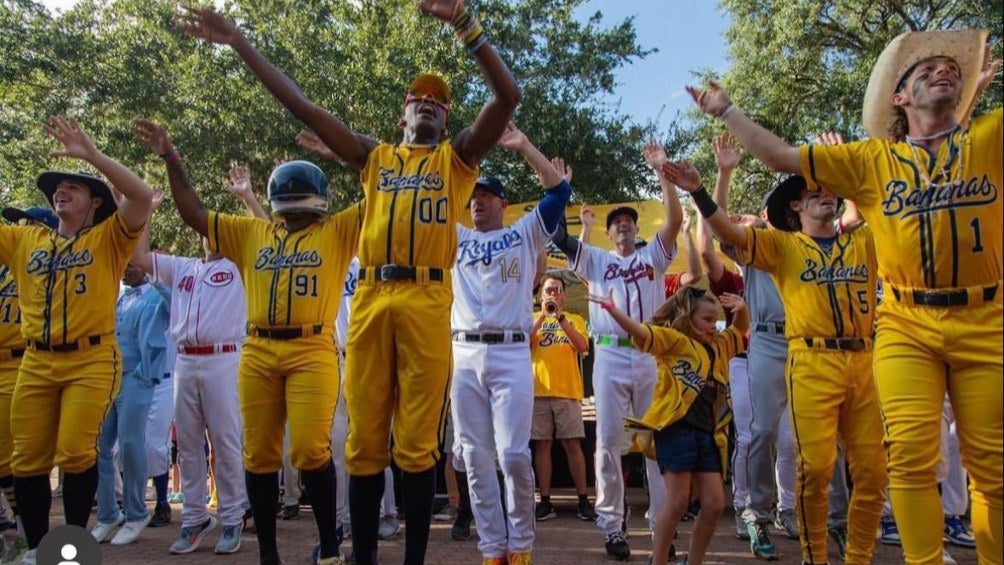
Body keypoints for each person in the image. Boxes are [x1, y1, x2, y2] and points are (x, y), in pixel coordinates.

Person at [176, 2, 519, 562]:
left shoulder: (458, 160)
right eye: (418, 98)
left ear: (446, 118)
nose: (428, 101)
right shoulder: (373, 158)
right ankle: (359, 555)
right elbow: (305, 108)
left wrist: (466, 26)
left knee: (413, 445)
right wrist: (240, 43)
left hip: (428, 298)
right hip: (372, 300)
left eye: (439, 100)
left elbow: (507, 99)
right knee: (362, 443)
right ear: (402, 115)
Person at [687, 28, 1002, 564]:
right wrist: (708, 171)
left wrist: (969, 99)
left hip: (898, 343)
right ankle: (813, 554)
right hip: (822, 350)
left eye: (951, 68)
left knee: (899, 470)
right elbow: (730, 237)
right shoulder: (788, 242)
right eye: (814, 195)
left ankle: (857, 557)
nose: (822, 197)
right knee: (820, 466)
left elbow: (887, 200)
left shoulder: (865, 236)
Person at [132, 118, 359, 565]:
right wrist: (169, 156)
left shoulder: (337, 230)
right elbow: (194, 215)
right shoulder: (253, 233)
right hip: (256, 350)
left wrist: (342, 155)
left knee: (312, 448)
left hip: (312, 348)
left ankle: (330, 547)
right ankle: (269, 554)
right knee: (258, 452)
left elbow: (381, 193)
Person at [664, 153, 889, 563]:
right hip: (767, 342)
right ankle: (758, 514)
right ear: (788, 209)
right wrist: (718, 177)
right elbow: (713, 236)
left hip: (821, 346)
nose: (751, 220)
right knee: (762, 431)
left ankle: (834, 520)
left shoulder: (817, 244)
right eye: (806, 195)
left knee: (823, 443)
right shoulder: (759, 252)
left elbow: (857, 218)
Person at [0, 116, 154, 565]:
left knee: (74, 450)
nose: (61, 191)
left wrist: (92, 157)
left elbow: (142, 197)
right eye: (57, 187)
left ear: (95, 202)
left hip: (92, 359)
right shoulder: (27, 240)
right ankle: (39, 547)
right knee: (27, 460)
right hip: (36, 361)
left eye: (74, 186)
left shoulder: (109, 238)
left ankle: (69, 550)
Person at [550, 140, 682, 560]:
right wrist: (560, 190)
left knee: (656, 442)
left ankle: (663, 522)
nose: (623, 225)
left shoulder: (654, 256)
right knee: (608, 442)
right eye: (617, 222)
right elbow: (557, 235)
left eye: (628, 221)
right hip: (608, 354)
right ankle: (611, 525)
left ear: (636, 228)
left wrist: (664, 172)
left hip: (648, 352)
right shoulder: (595, 260)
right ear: (608, 233)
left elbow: (676, 220)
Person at [450, 122, 571, 564]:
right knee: (477, 461)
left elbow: (558, 193)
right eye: (473, 195)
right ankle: (492, 550)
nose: (477, 200)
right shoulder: (455, 236)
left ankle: (521, 546)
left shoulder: (522, 233)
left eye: (486, 194)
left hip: (510, 351)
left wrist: (524, 145)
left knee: (513, 454)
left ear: (503, 202)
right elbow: (413, 206)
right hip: (464, 353)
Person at [589, 285, 748, 565]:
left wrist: (742, 309)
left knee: (714, 504)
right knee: (677, 502)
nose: (713, 326)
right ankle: (658, 560)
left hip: (709, 435)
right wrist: (612, 310)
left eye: (715, 320)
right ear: (688, 318)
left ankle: (692, 561)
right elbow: (641, 333)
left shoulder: (720, 346)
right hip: (676, 430)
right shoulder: (674, 341)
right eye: (707, 320)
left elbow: (738, 331)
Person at [128, 189, 250, 555]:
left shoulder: (239, 265)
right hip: (185, 360)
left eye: (216, 227)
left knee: (226, 443)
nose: (208, 232)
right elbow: (137, 256)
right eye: (205, 226)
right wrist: (146, 212)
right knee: (189, 446)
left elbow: (261, 232)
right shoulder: (182, 267)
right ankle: (194, 518)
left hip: (224, 358)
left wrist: (245, 198)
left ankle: (232, 517)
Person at [90, 261, 168, 546]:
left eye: (133, 264)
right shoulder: (120, 297)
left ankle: (136, 512)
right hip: (111, 377)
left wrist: (156, 274)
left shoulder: (156, 296)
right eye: (123, 264)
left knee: (130, 444)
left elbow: (176, 306)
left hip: (138, 376)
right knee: (99, 446)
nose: (126, 269)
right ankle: (109, 512)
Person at [0, 206, 58, 565]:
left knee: (16, 459)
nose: (19, 227)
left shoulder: (43, 269)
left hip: (23, 362)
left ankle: (24, 532)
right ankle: (13, 528)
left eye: (29, 223)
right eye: (17, 222)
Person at [529, 273, 594, 523]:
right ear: (540, 295)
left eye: (557, 290)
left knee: (572, 445)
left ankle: (583, 500)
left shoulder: (575, 319)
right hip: (538, 392)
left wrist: (561, 318)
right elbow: (523, 343)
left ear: (564, 295)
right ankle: (544, 501)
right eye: (548, 290)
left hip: (568, 392)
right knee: (542, 446)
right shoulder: (533, 319)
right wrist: (544, 315)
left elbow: (582, 346)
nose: (552, 294)